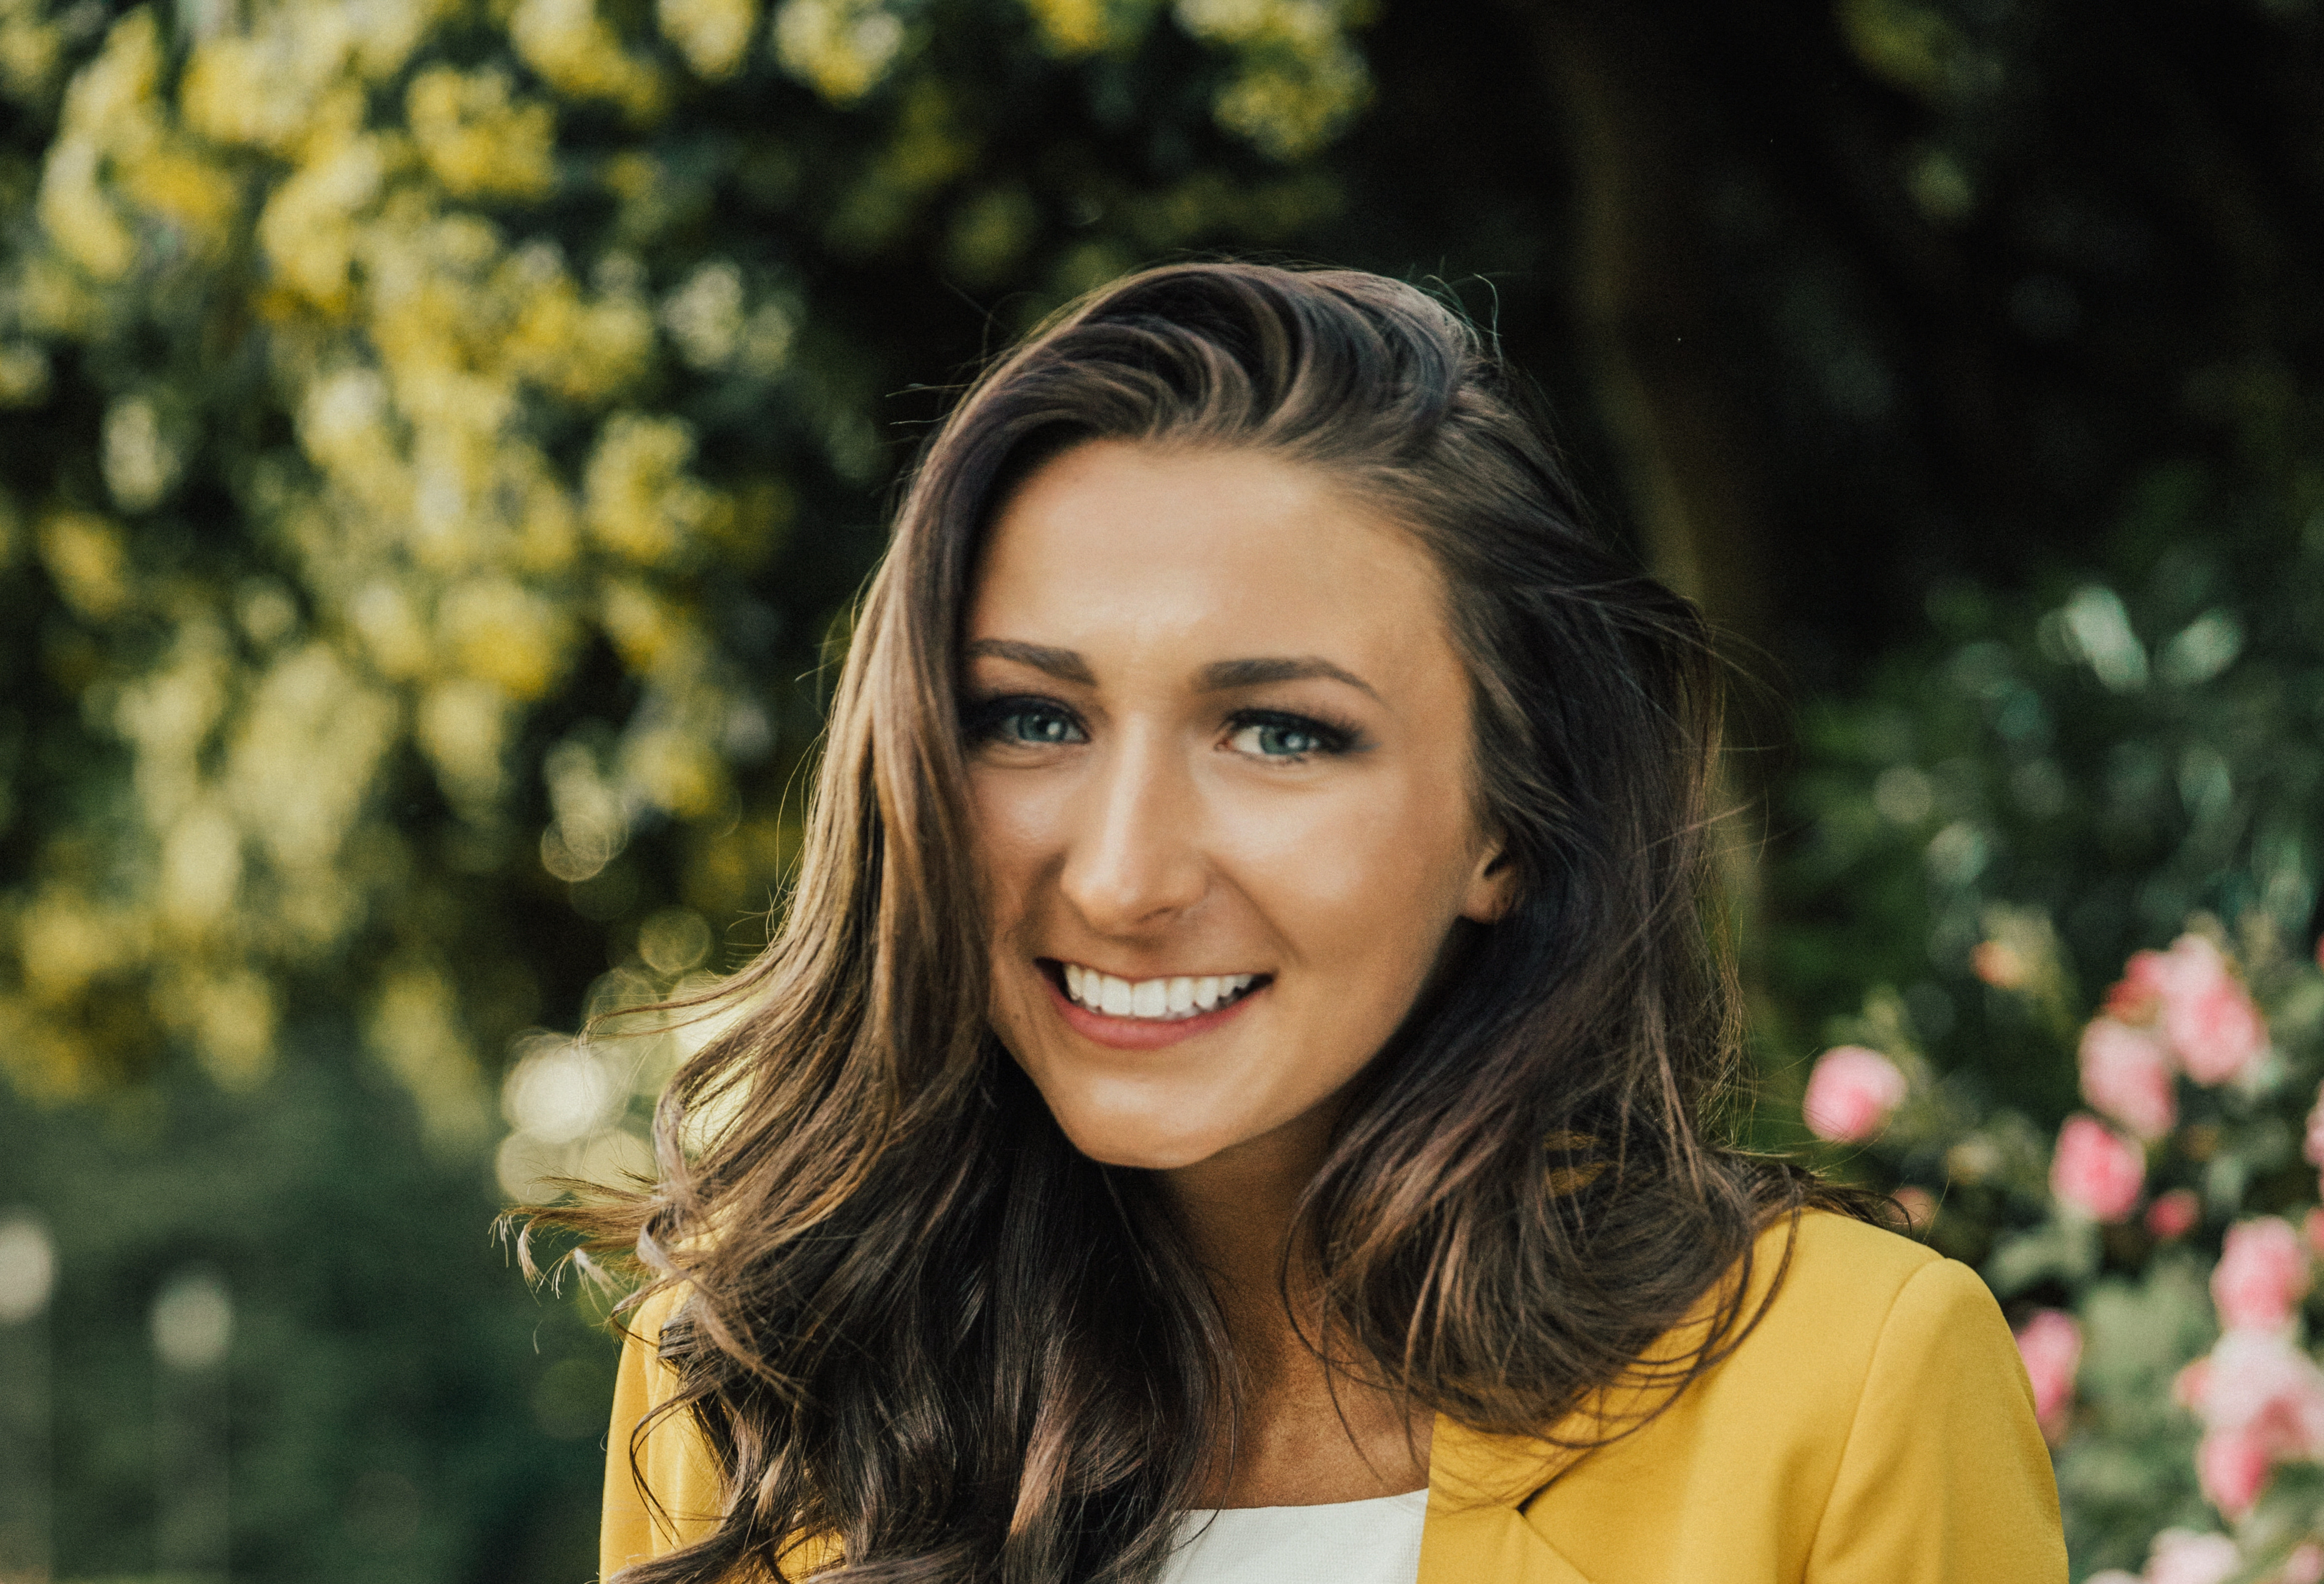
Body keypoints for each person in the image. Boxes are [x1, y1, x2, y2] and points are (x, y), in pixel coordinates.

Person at [555, 262, 2066, 1584]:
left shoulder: (1850, 1384)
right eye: (1030, 717)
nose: (1122, 878)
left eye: (1278, 733)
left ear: (1507, 825)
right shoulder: (757, 1383)